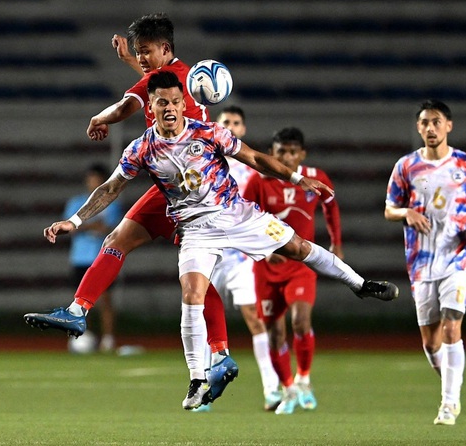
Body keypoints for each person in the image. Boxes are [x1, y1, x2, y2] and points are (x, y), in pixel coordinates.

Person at [41, 72, 399, 410]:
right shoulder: (141, 149)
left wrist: (295, 178)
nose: (168, 108)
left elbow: (255, 158)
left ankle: (360, 283)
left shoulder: (209, 133)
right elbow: (110, 188)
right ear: (150, 108)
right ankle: (197, 379)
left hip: (239, 216)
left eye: (174, 101)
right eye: (161, 102)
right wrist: (73, 221)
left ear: (185, 104)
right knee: (192, 296)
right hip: (196, 231)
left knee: (300, 249)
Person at [25, 13, 236, 407]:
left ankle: (78, 310)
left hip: (184, 192)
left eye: (146, 52)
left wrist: (99, 116)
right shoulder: (184, 80)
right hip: (188, 186)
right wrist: (131, 61)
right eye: (137, 53)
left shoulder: (161, 84)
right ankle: (220, 354)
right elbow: (152, 83)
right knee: (176, 267)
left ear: (166, 50)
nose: (140, 59)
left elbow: (126, 106)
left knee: (174, 266)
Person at [384, 100, 466, 426]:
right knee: (430, 342)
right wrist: (407, 213)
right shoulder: (406, 166)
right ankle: (451, 385)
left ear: (448, 126)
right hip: (420, 262)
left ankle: (449, 403)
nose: (430, 128)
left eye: (436, 122)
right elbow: (389, 209)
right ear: (418, 128)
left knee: (451, 326)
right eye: (425, 123)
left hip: (457, 257)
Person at [242, 126, 343, 415]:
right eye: (281, 152)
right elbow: (243, 220)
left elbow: (331, 205)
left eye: (292, 151)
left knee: (301, 320)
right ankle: (287, 388)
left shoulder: (315, 178)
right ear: (271, 154)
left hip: (301, 264)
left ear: (302, 154)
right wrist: (265, 250)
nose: (287, 156)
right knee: (275, 333)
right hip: (267, 268)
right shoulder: (258, 182)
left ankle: (304, 380)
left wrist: (336, 242)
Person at [194, 106, 281, 413]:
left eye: (236, 123)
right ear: (217, 128)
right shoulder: (202, 161)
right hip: (208, 256)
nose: (231, 125)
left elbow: (258, 209)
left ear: (242, 130)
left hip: (240, 257)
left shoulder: (250, 170)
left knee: (254, 320)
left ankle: (272, 389)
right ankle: (203, 392)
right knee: (204, 323)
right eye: (225, 122)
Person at [64, 163, 123, 352]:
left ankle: (108, 339)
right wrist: (92, 226)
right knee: (80, 301)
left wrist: (86, 226)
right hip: (80, 258)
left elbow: (113, 230)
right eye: (91, 179)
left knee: (105, 300)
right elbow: (70, 228)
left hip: (102, 259)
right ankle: (83, 338)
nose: (93, 183)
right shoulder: (75, 203)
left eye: (97, 180)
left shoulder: (112, 204)